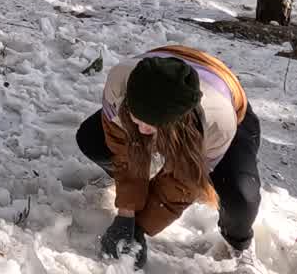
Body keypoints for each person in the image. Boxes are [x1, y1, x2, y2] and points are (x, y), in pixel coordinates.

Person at [74, 45, 262, 271]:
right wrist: (127, 213)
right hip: (159, 84)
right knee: (92, 140)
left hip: (221, 105)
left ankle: (239, 241)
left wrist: (140, 228)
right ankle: (139, 183)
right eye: (136, 119)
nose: (142, 130)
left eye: (151, 126)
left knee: (241, 197)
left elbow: (183, 182)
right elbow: (122, 149)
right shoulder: (119, 82)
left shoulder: (218, 124)